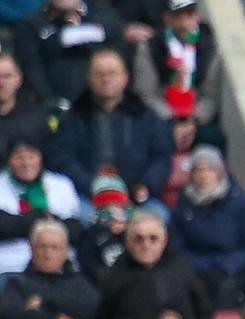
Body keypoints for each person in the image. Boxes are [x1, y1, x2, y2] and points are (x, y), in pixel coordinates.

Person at [46, 48, 169, 207]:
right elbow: (61, 157)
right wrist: (92, 186)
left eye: (112, 73)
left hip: (136, 196)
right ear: (89, 78)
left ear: (125, 78)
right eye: (99, 74)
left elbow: (162, 156)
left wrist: (146, 185)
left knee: (159, 217)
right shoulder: (73, 117)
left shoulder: (146, 115)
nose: (106, 79)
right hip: (86, 196)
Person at [92, 210, 210, 319]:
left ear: (164, 240)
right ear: (127, 242)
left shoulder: (181, 268)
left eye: (153, 238)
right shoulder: (113, 276)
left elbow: (204, 309)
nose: (146, 245)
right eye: (138, 239)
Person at [172, 145, 245, 306]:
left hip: (237, 271)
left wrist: (227, 266)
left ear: (219, 172)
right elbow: (178, 246)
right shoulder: (184, 205)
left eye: (208, 170)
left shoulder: (241, 202)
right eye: (198, 170)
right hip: (199, 269)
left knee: (225, 289)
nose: (203, 176)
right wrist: (202, 266)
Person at [130, 0, 222, 135]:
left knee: (212, 138)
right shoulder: (151, 47)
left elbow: (210, 95)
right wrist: (172, 120)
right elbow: (146, 93)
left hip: (198, 120)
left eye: (189, 14)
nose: (184, 22)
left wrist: (192, 120)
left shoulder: (210, 48)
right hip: (160, 118)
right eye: (178, 15)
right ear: (167, 18)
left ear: (197, 16)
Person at [0, 133, 82, 275]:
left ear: (40, 157)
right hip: (11, 267)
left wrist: (19, 223)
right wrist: (44, 218)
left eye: (31, 156)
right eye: (19, 157)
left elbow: (74, 229)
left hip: (60, 269)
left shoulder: (61, 184)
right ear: (9, 161)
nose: (26, 163)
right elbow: (3, 227)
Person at [18, 0, 125, 108]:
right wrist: (49, 100)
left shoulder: (105, 16)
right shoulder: (31, 24)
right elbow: (32, 67)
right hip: (52, 107)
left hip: (99, 107)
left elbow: (119, 61)